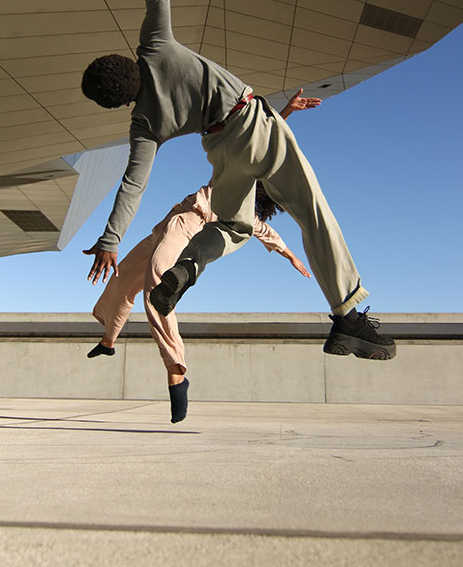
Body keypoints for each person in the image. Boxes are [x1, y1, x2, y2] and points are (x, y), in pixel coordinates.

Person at [81, 0, 396, 368]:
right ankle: (349, 316)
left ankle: (185, 271)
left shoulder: (143, 126)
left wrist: (108, 240)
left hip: (221, 152)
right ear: (125, 60)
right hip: (250, 121)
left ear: (118, 102)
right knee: (312, 209)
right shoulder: (156, 46)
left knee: (235, 225)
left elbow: (132, 185)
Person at [86, 97, 316, 424]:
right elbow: (258, 143)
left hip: (186, 228)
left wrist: (290, 255)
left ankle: (176, 371)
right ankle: (109, 340)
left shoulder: (240, 208)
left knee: (158, 286)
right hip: (162, 228)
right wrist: (288, 112)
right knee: (123, 279)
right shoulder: (230, 181)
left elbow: (266, 233)